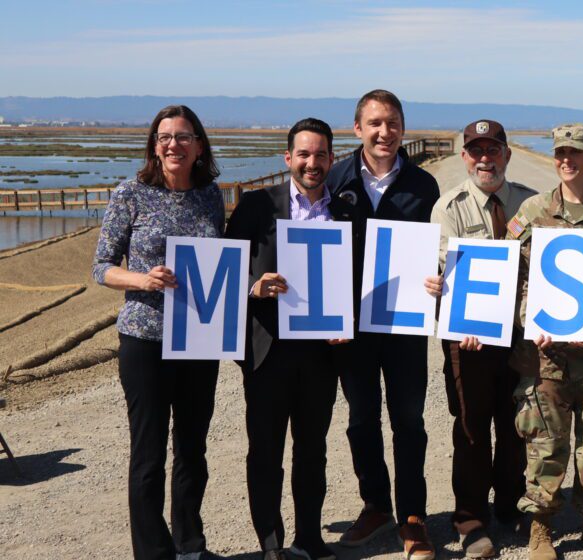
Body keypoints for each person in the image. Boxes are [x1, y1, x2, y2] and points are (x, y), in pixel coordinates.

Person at [92, 105, 225, 560]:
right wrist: (141, 280)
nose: (174, 144)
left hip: (199, 336)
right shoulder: (130, 193)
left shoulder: (211, 196)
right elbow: (102, 267)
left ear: (199, 146)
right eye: (165, 136)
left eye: (184, 136)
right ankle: (153, 552)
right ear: (154, 145)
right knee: (148, 455)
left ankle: (191, 545)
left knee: (192, 450)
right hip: (145, 339)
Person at [226, 118, 362, 560]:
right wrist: (253, 286)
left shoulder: (345, 210)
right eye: (304, 154)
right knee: (265, 452)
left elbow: (358, 278)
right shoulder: (256, 205)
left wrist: (348, 320)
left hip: (322, 354)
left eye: (321, 155)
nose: (312, 163)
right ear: (288, 159)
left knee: (313, 451)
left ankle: (310, 538)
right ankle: (271, 544)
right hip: (268, 352)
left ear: (331, 159)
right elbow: (227, 268)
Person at [323, 90, 440, 557]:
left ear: (402, 129)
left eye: (392, 123)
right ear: (357, 129)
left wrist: (439, 276)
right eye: (374, 123)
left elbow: (438, 247)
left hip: (405, 324)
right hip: (351, 326)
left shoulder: (424, 185)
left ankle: (412, 514)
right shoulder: (333, 180)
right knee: (360, 419)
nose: (383, 132)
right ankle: (375, 504)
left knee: (409, 420)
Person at [507, 124, 583, 560]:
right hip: (546, 358)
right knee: (546, 447)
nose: (567, 159)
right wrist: (529, 318)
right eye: (560, 152)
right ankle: (540, 528)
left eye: (576, 152)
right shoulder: (533, 211)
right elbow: (512, 277)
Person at [424, 119, 538, 557]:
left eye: (493, 150)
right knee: (471, 428)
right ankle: (470, 518)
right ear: (464, 157)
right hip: (467, 338)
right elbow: (440, 271)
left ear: (507, 155)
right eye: (476, 151)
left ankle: (509, 507)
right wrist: (456, 315)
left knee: (516, 426)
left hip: (519, 334)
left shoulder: (530, 202)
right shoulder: (448, 207)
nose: (484, 158)